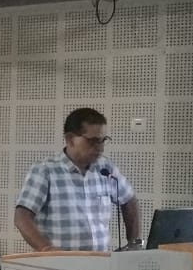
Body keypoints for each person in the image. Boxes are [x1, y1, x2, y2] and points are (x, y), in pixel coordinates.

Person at [14, 108, 142, 252]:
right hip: (59, 263)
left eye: (103, 140)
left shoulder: (106, 168)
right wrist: (46, 248)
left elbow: (129, 201)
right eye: (92, 141)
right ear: (70, 139)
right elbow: (22, 217)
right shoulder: (45, 170)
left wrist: (134, 243)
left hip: (100, 261)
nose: (100, 148)